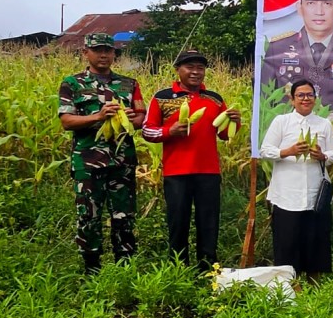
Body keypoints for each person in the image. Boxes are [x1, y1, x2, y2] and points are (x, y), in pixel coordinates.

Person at [142, 50, 241, 272]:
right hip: (176, 172)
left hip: (208, 171)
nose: (196, 72)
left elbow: (225, 135)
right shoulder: (162, 97)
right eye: (190, 67)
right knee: (178, 222)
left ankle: (207, 270)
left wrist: (236, 121)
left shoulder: (215, 99)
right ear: (178, 70)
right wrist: (170, 131)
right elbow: (147, 131)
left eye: (200, 68)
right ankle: (179, 269)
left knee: (209, 222)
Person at [57, 33, 145, 274]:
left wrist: (127, 118)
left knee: (124, 216)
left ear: (114, 53)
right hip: (88, 162)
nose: (104, 54)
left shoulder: (130, 84)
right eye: (98, 50)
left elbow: (141, 117)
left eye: (108, 50)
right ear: (86, 52)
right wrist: (99, 116)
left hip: (122, 161)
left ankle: (125, 266)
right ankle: (92, 268)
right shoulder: (72, 84)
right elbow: (66, 120)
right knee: (88, 216)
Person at [259, 78, 333, 282]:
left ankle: (314, 285)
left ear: (315, 99)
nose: (306, 99)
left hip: (315, 195)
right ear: (292, 99)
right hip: (287, 195)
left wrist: (322, 156)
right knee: (288, 243)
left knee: (316, 242)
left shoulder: (323, 124)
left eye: (309, 95)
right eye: (301, 95)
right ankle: (288, 286)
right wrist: (289, 151)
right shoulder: (282, 122)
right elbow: (265, 150)